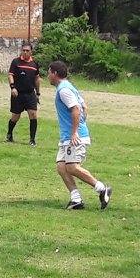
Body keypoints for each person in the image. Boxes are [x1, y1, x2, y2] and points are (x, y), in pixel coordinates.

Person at [48, 61, 111, 210]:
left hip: (73, 136)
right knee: (61, 167)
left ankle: (102, 189)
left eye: (49, 72)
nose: (48, 76)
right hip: (67, 136)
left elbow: (76, 109)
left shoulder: (64, 90)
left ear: (55, 73)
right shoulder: (69, 87)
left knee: (71, 167)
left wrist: (75, 131)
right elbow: (84, 107)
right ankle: (76, 199)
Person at [6, 42, 40, 145]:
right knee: (15, 117)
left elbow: (37, 78)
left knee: (33, 115)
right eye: (23, 50)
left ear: (31, 52)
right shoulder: (16, 62)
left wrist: (38, 93)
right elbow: (10, 75)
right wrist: (13, 87)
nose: (25, 52)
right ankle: (9, 134)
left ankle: (32, 140)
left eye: (27, 51)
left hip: (30, 94)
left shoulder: (34, 64)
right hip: (18, 94)